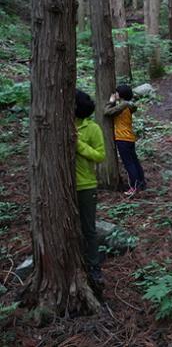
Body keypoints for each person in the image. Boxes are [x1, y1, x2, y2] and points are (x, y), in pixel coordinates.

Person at [75, 89, 106, 285]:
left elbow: (100, 155)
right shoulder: (59, 123)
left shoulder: (92, 128)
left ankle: (94, 267)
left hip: (85, 186)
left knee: (88, 229)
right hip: (63, 187)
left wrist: (78, 145)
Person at [105, 84, 146, 196]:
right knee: (134, 161)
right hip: (129, 137)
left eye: (116, 92)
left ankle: (134, 187)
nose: (115, 94)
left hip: (122, 138)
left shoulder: (122, 106)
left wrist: (111, 101)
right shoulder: (128, 106)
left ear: (121, 94)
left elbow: (107, 112)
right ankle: (141, 183)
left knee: (129, 164)